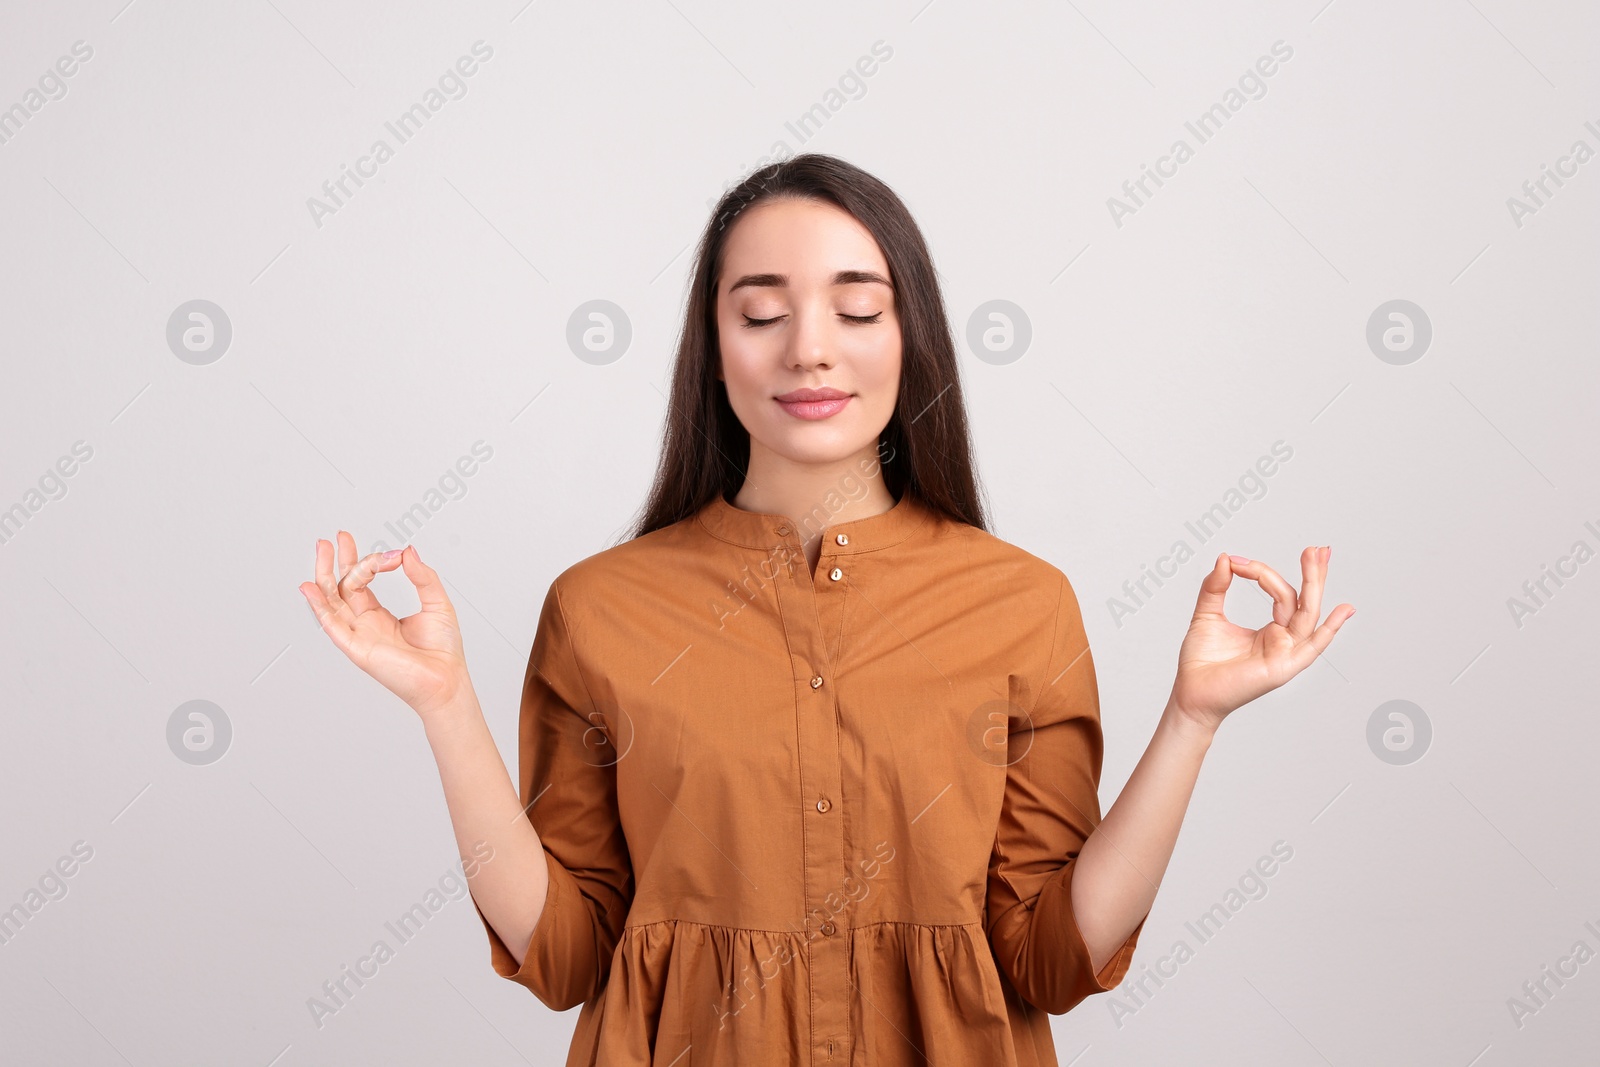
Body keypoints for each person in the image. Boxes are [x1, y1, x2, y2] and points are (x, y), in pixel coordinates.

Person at [298, 154, 1354, 1066]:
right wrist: (443, 705)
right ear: (713, 345)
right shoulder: (600, 606)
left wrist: (1192, 719)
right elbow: (567, 949)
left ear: (910, 335)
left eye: (856, 308)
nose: (808, 348)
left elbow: (1049, 954)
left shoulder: (1021, 602)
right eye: (761, 311)